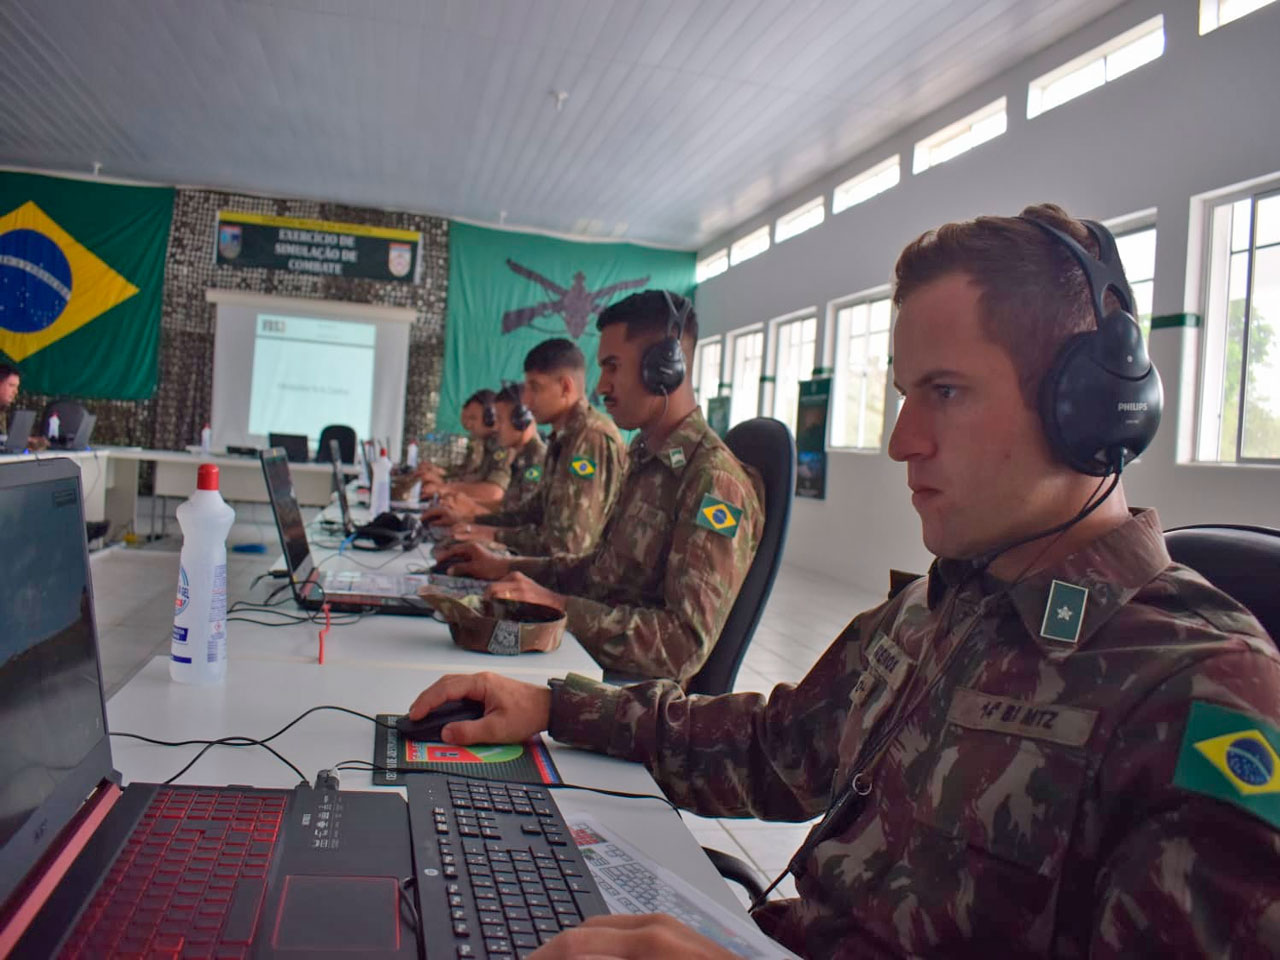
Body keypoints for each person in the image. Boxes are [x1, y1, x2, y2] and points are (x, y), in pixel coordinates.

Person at [408, 206, 1280, 957]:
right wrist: (558, 709)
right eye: (905, 395)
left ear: (1087, 409)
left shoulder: (1204, 694)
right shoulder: (937, 607)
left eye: (944, 392)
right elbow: (773, 747)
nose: (903, 441)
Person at [435, 291, 764, 684]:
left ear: (664, 367)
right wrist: (506, 567)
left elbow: (680, 646)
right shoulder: (647, 459)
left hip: (632, 699)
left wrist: (560, 607)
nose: (602, 385)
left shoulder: (714, 481)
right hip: (592, 661)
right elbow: (599, 572)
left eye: (612, 367)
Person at [427, 338, 625, 556]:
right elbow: (532, 513)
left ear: (565, 387)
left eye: (535, 388)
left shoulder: (590, 438)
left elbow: (568, 546)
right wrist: (472, 522)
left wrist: (492, 536)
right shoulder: (564, 438)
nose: (527, 401)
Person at [416, 389, 500, 486]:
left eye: (473, 418)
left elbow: (492, 491)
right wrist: (439, 471)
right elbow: (467, 470)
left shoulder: (500, 445)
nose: (468, 425)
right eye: (466, 418)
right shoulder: (478, 441)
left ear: (490, 420)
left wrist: (444, 483)